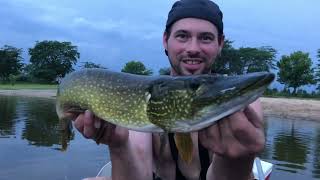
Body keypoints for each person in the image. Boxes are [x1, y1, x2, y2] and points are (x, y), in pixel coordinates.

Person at [76, 0, 265, 179]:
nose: (193, 48)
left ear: (220, 43)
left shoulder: (239, 102)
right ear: (165, 40)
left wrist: (238, 161)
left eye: (205, 38)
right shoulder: (149, 97)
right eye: (182, 36)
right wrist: (118, 146)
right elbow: (138, 176)